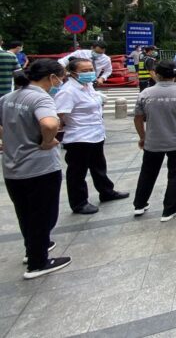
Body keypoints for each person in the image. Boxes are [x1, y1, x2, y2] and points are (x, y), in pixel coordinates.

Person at [0, 59, 71, 279]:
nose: (61, 81)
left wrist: (7, 139)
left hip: (13, 166)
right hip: (39, 167)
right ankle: (38, 262)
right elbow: (50, 124)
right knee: (43, 212)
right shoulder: (40, 97)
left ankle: (33, 248)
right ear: (51, 77)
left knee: (25, 212)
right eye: (61, 76)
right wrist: (47, 141)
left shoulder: (9, 97)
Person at [55, 58, 129, 215]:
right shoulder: (68, 91)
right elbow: (59, 115)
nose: (89, 73)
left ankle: (106, 192)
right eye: (84, 71)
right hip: (79, 137)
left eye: (90, 69)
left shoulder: (87, 86)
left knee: (99, 166)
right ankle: (79, 203)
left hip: (96, 134)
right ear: (72, 72)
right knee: (77, 172)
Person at [132, 61, 176, 222]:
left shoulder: (145, 94)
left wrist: (142, 136)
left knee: (147, 173)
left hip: (153, 141)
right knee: (174, 175)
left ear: (157, 75)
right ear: (174, 75)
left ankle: (139, 204)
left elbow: (138, 118)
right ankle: (170, 209)